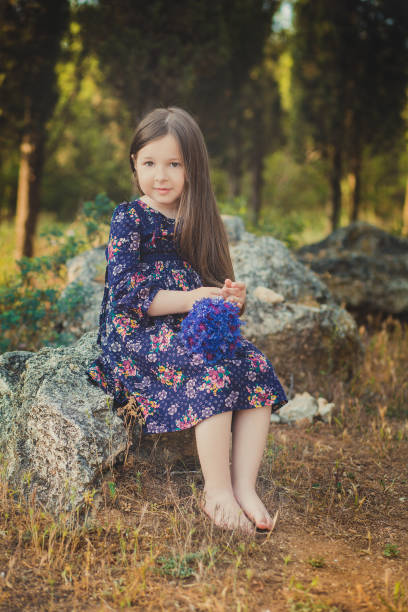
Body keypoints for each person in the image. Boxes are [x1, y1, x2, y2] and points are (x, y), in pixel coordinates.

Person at [86, 107, 288, 533]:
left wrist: (231, 300)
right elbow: (125, 296)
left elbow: (213, 287)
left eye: (174, 164)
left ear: (193, 167)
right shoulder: (130, 218)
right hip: (135, 335)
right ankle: (215, 493)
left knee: (254, 365)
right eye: (150, 163)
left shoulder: (200, 219)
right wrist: (191, 298)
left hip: (186, 328)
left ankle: (243, 486)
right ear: (134, 165)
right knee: (210, 371)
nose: (161, 175)